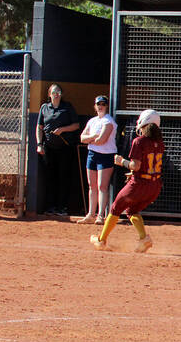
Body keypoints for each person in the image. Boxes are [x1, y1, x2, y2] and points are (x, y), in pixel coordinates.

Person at [90, 109, 164, 253]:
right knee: (132, 210)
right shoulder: (159, 143)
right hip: (154, 186)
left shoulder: (139, 141)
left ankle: (101, 240)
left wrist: (121, 161)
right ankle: (144, 239)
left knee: (116, 208)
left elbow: (135, 165)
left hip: (139, 184)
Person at [36, 83, 80, 216]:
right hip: (49, 148)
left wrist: (62, 130)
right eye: (54, 92)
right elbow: (39, 127)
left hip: (64, 148)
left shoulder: (67, 107)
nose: (56, 94)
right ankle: (50, 207)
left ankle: (62, 207)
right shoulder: (45, 107)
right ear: (49, 94)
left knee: (63, 177)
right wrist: (39, 144)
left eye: (58, 91)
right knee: (50, 177)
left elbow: (76, 125)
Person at [76, 95, 117, 224]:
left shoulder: (108, 121)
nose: (100, 106)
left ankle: (100, 216)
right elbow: (82, 138)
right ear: (95, 106)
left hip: (106, 156)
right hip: (92, 154)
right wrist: (93, 136)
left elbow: (102, 140)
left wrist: (91, 139)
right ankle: (90, 214)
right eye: (98, 104)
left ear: (106, 106)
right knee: (92, 186)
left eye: (103, 104)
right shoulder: (92, 121)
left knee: (102, 186)